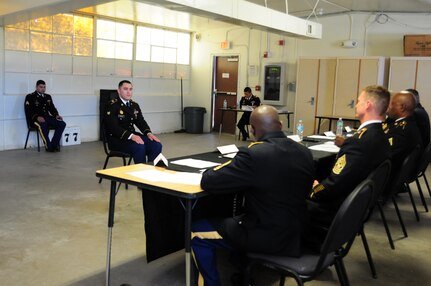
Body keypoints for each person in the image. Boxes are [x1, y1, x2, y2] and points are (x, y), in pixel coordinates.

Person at [191, 105, 315, 286]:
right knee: (237, 217)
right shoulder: (304, 152)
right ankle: (242, 270)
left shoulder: (254, 154)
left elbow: (209, 180)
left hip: (269, 236)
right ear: (280, 125)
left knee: (196, 231)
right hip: (298, 231)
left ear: (252, 129)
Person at [309, 85, 391, 224]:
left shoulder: (359, 142)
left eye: (359, 101)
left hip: (335, 210)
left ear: (367, 105)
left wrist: (315, 188)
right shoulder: (381, 135)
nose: (356, 105)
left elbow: (334, 185)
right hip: (356, 207)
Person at [105, 80, 162, 164]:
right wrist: (131, 136)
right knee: (139, 146)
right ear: (119, 91)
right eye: (125, 89)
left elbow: (140, 121)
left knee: (156, 145)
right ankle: (140, 173)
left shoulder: (134, 105)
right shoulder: (112, 105)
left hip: (132, 136)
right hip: (117, 140)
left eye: (130, 89)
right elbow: (113, 127)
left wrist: (148, 133)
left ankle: (150, 171)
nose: (128, 92)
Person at [384, 91, 422, 173]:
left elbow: (384, 155)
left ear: (402, 107)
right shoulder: (409, 123)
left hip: (389, 175)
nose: (389, 107)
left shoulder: (400, 132)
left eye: (392, 104)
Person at [24, 80, 66, 152]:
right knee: (42, 125)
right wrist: (37, 117)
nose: (43, 89)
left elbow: (52, 108)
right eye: (41, 87)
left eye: (44, 87)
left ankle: (54, 144)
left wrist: (56, 115)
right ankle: (48, 147)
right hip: (36, 119)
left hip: (47, 117)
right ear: (36, 87)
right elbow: (28, 110)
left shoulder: (48, 97)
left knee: (62, 124)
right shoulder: (30, 97)